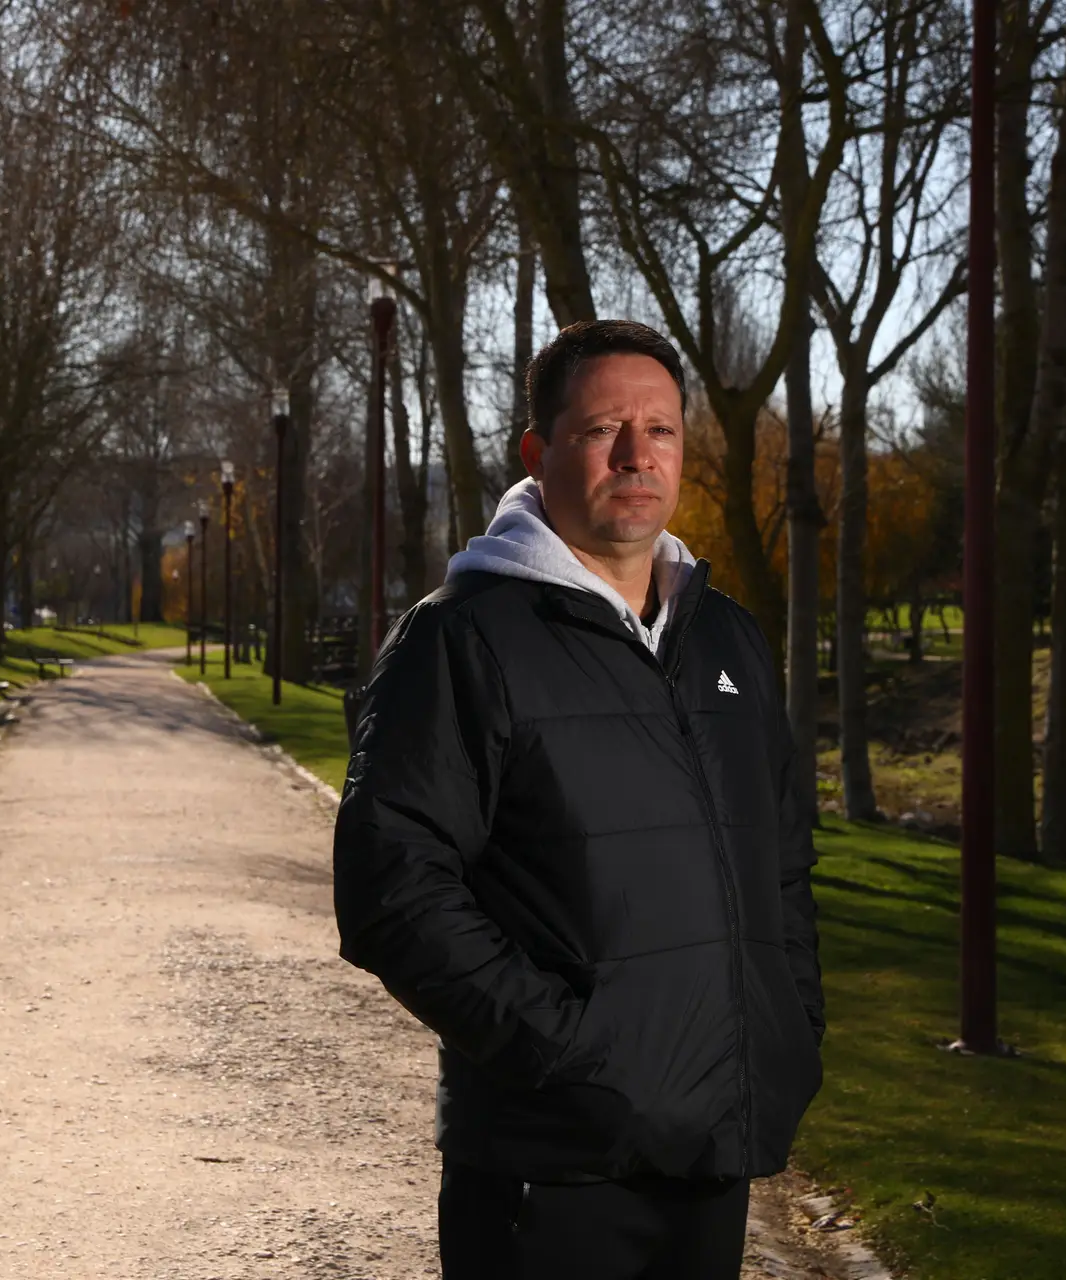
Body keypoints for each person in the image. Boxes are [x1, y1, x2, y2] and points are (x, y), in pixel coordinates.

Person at [333, 319, 824, 1279]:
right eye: (604, 430)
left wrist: (788, 1028)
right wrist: (574, 1057)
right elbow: (393, 892)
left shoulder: (726, 638)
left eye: (662, 431)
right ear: (539, 452)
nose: (638, 456)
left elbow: (784, 864)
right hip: (550, 1166)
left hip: (712, 1147)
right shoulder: (463, 641)